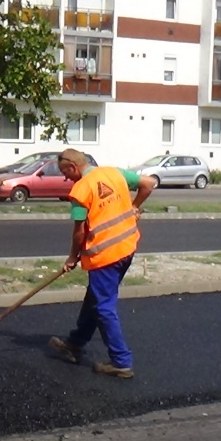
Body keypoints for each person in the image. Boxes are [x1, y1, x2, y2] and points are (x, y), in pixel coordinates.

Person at [48, 148, 156, 379]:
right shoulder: (114, 174)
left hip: (105, 256)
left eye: (65, 173)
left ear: (73, 167)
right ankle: (75, 343)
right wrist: (134, 207)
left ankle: (121, 361)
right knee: (95, 298)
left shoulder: (81, 190)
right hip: (127, 247)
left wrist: (72, 257)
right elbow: (148, 183)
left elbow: (79, 233)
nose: (66, 178)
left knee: (104, 307)